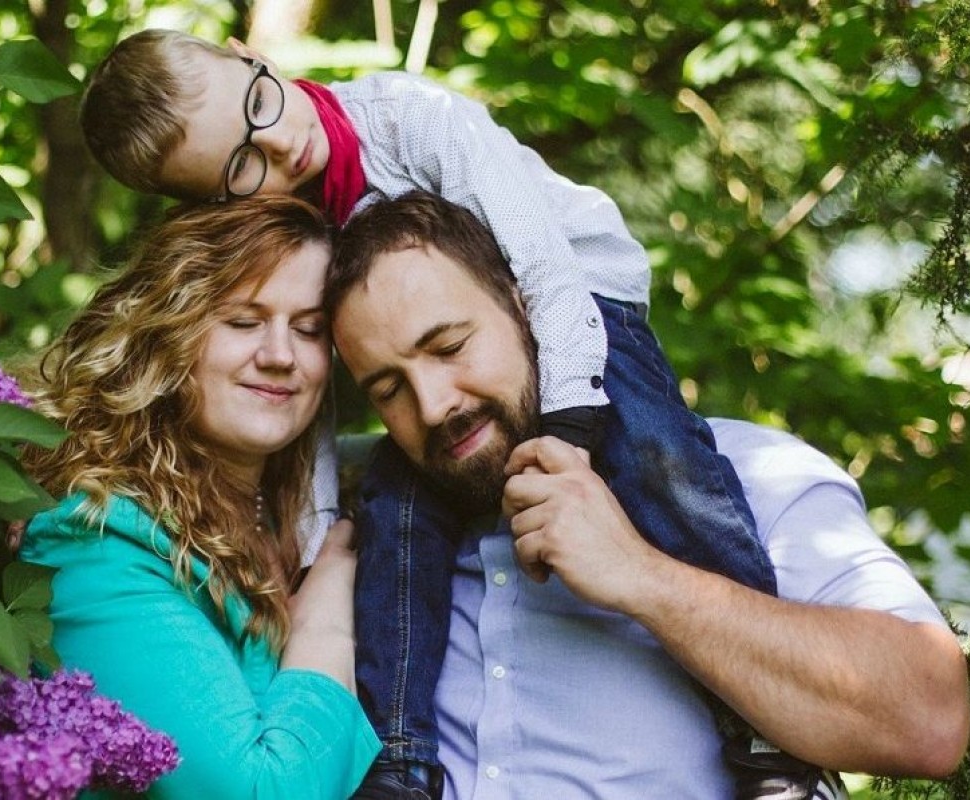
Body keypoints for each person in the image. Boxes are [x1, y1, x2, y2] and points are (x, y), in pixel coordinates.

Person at [80, 29, 811, 798]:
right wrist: (315, 541)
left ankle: (764, 731)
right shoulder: (297, 230)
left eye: (259, 105)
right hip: (455, 375)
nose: (281, 145)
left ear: (247, 54)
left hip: (580, 299)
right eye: (241, 165)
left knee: (658, 462)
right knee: (394, 522)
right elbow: (316, 410)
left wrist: (570, 426)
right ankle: (399, 763)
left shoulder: (407, 118)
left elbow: (544, 265)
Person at [324, 190, 970, 799]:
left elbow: (928, 721)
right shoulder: (385, 557)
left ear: (529, 306)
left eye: (449, 347)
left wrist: (639, 573)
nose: (432, 405)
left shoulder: (748, 477)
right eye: (389, 390)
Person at [19, 195, 380, 799]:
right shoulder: (96, 536)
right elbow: (260, 792)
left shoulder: (293, 511)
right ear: (168, 330)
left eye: (309, 329)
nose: (280, 355)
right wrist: (324, 623)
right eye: (242, 321)